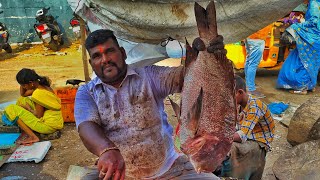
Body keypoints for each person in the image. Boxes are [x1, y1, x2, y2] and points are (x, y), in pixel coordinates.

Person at [74, 29, 225, 180]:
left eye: (110, 51)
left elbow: (188, 79)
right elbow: (86, 126)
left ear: (122, 53)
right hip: (119, 173)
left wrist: (208, 60)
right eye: (97, 56)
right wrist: (106, 150)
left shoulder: (149, 76)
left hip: (169, 168)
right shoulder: (87, 92)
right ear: (91, 63)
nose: (105, 59)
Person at [220, 75, 275, 180]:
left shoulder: (255, 106)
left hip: (259, 142)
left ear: (240, 92)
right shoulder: (239, 105)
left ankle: (234, 174)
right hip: (248, 136)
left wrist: (220, 137)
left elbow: (242, 136)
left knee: (229, 147)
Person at [1, 68, 64, 145]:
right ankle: (27, 129)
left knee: (11, 109)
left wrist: (28, 109)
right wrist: (22, 81)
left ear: (31, 83)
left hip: (48, 126)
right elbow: (23, 95)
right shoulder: (42, 86)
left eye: (24, 85)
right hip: (55, 122)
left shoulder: (37, 94)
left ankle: (33, 136)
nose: (23, 87)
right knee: (22, 100)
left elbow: (38, 116)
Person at [277, 0, 320, 94]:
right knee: (311, 63)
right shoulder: (317, 4)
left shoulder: (313, 3)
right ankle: (310, 86)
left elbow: (314, 21)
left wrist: (298, 25)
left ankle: (301, 89)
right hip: (315, 40)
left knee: (301, 63)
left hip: (310, 39)